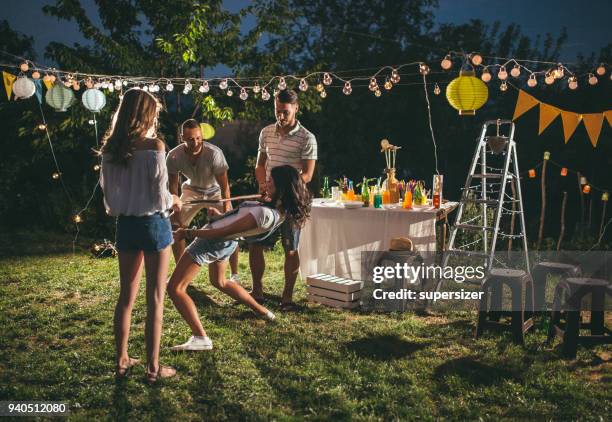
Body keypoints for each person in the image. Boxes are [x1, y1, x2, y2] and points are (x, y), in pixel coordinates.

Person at [168, 165, 311, 351]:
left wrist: (187, 232)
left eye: (270, 181)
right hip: (228, 243)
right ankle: (263, 311)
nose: (266, 183)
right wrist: (220, 215)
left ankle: (200, 337)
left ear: (281, 188)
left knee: (175, 288)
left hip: (213, 241)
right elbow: (236, 222)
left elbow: (225, 231)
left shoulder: (264, 213)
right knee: (220, 282)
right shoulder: (276, 210)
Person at [99, 88, 181, 382]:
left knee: (126, 298)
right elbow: (161, 198)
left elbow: (110, 197)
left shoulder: (111, 149)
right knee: (156, 298)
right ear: (146, 114)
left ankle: (122, 360)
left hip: (126, 226)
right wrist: (175, 199)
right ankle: (153, 368)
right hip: (155, 225)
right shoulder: (154, 146)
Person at [250, 89, 317, 310]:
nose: (281, 116)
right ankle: (257, 290)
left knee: (291, 248)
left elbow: (307, 175)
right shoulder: (266, 132)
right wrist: (263, 184)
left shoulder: (307, 138)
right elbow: (260, 165)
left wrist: (286, 189)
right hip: (268, 196)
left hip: (291, 200)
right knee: (256, 243)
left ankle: (286, 296)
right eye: (278, 111)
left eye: (285, 112)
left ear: (296, 109)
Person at [166, 119, 240, 281]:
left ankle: (234, 274)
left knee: (232, 226)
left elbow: (225, 185)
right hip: (191, 190)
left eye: (199, 138)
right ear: (182, 138)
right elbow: (173, 187)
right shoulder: (173, 156)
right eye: (191, 139)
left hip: (216, 191)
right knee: (175, 225)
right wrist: (175, 208)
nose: (196, 142)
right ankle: (180, 271)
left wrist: (227, 206)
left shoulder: (214, 153)